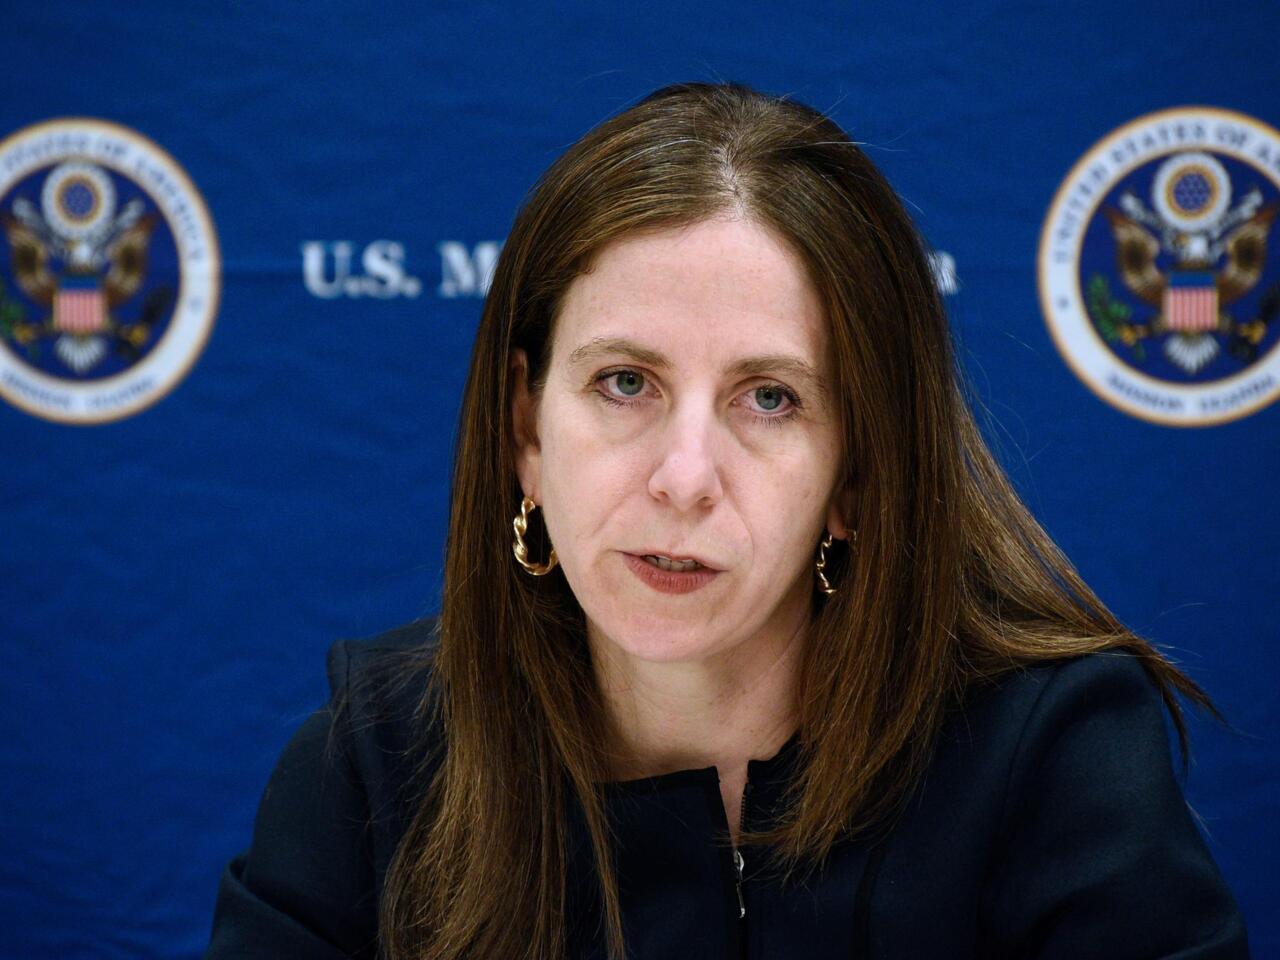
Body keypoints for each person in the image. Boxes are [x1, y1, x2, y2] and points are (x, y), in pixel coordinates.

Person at [205, 82, 1250, 959]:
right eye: (624, 382)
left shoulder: (1050, 759)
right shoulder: (374, 766)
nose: (684, 478)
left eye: (769, 399)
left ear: (857, 473)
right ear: (526, 429)